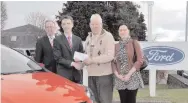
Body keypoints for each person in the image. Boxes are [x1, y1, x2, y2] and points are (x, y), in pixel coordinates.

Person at [83, 14, 115, 103]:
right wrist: (82, 60)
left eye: (97, 24)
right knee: (94, 101)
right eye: (93, 24)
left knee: (105, 101)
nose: (95, 26)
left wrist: (92, 60)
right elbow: (86, 55)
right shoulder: (88, 38)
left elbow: (110, 56)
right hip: (91, 75)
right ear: (90, 25)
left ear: (101, 24)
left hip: (104, 76)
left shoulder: (108, 36)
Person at [111, 24, 144, 103]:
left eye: (124, 30)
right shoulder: (116, 46)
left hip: (132, 77)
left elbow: (140, 60)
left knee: (131, 100)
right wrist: (117, 75)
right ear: (118, 32)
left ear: (128, 31)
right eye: (120, 30)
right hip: (120, 79)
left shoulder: (134, 43)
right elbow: (113, 62)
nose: (122, 32)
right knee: (123, 101)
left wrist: (129, 74)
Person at [53, 15, 84, 83]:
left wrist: (81, 61)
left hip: (77, 75)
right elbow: (58, 58)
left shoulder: (78, 39)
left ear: (72, 25)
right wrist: (72, 63)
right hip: (63, 75)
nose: (66, 26)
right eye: (64, 24)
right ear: (61, 26)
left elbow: (82, 54)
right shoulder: (57, 40)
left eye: (68, 23)